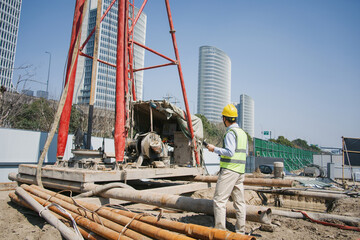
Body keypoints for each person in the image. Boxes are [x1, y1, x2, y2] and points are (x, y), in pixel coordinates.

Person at [206, 104, 248, 234]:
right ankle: (240, 232)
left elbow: (230, 152)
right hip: (240, 172)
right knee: (240, 203)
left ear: (225, 118)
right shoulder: (243, 133)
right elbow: (242, 153)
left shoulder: (231, 133)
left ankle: (219, 231)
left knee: (219, 201)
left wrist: (214, 149)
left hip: (229, 171)